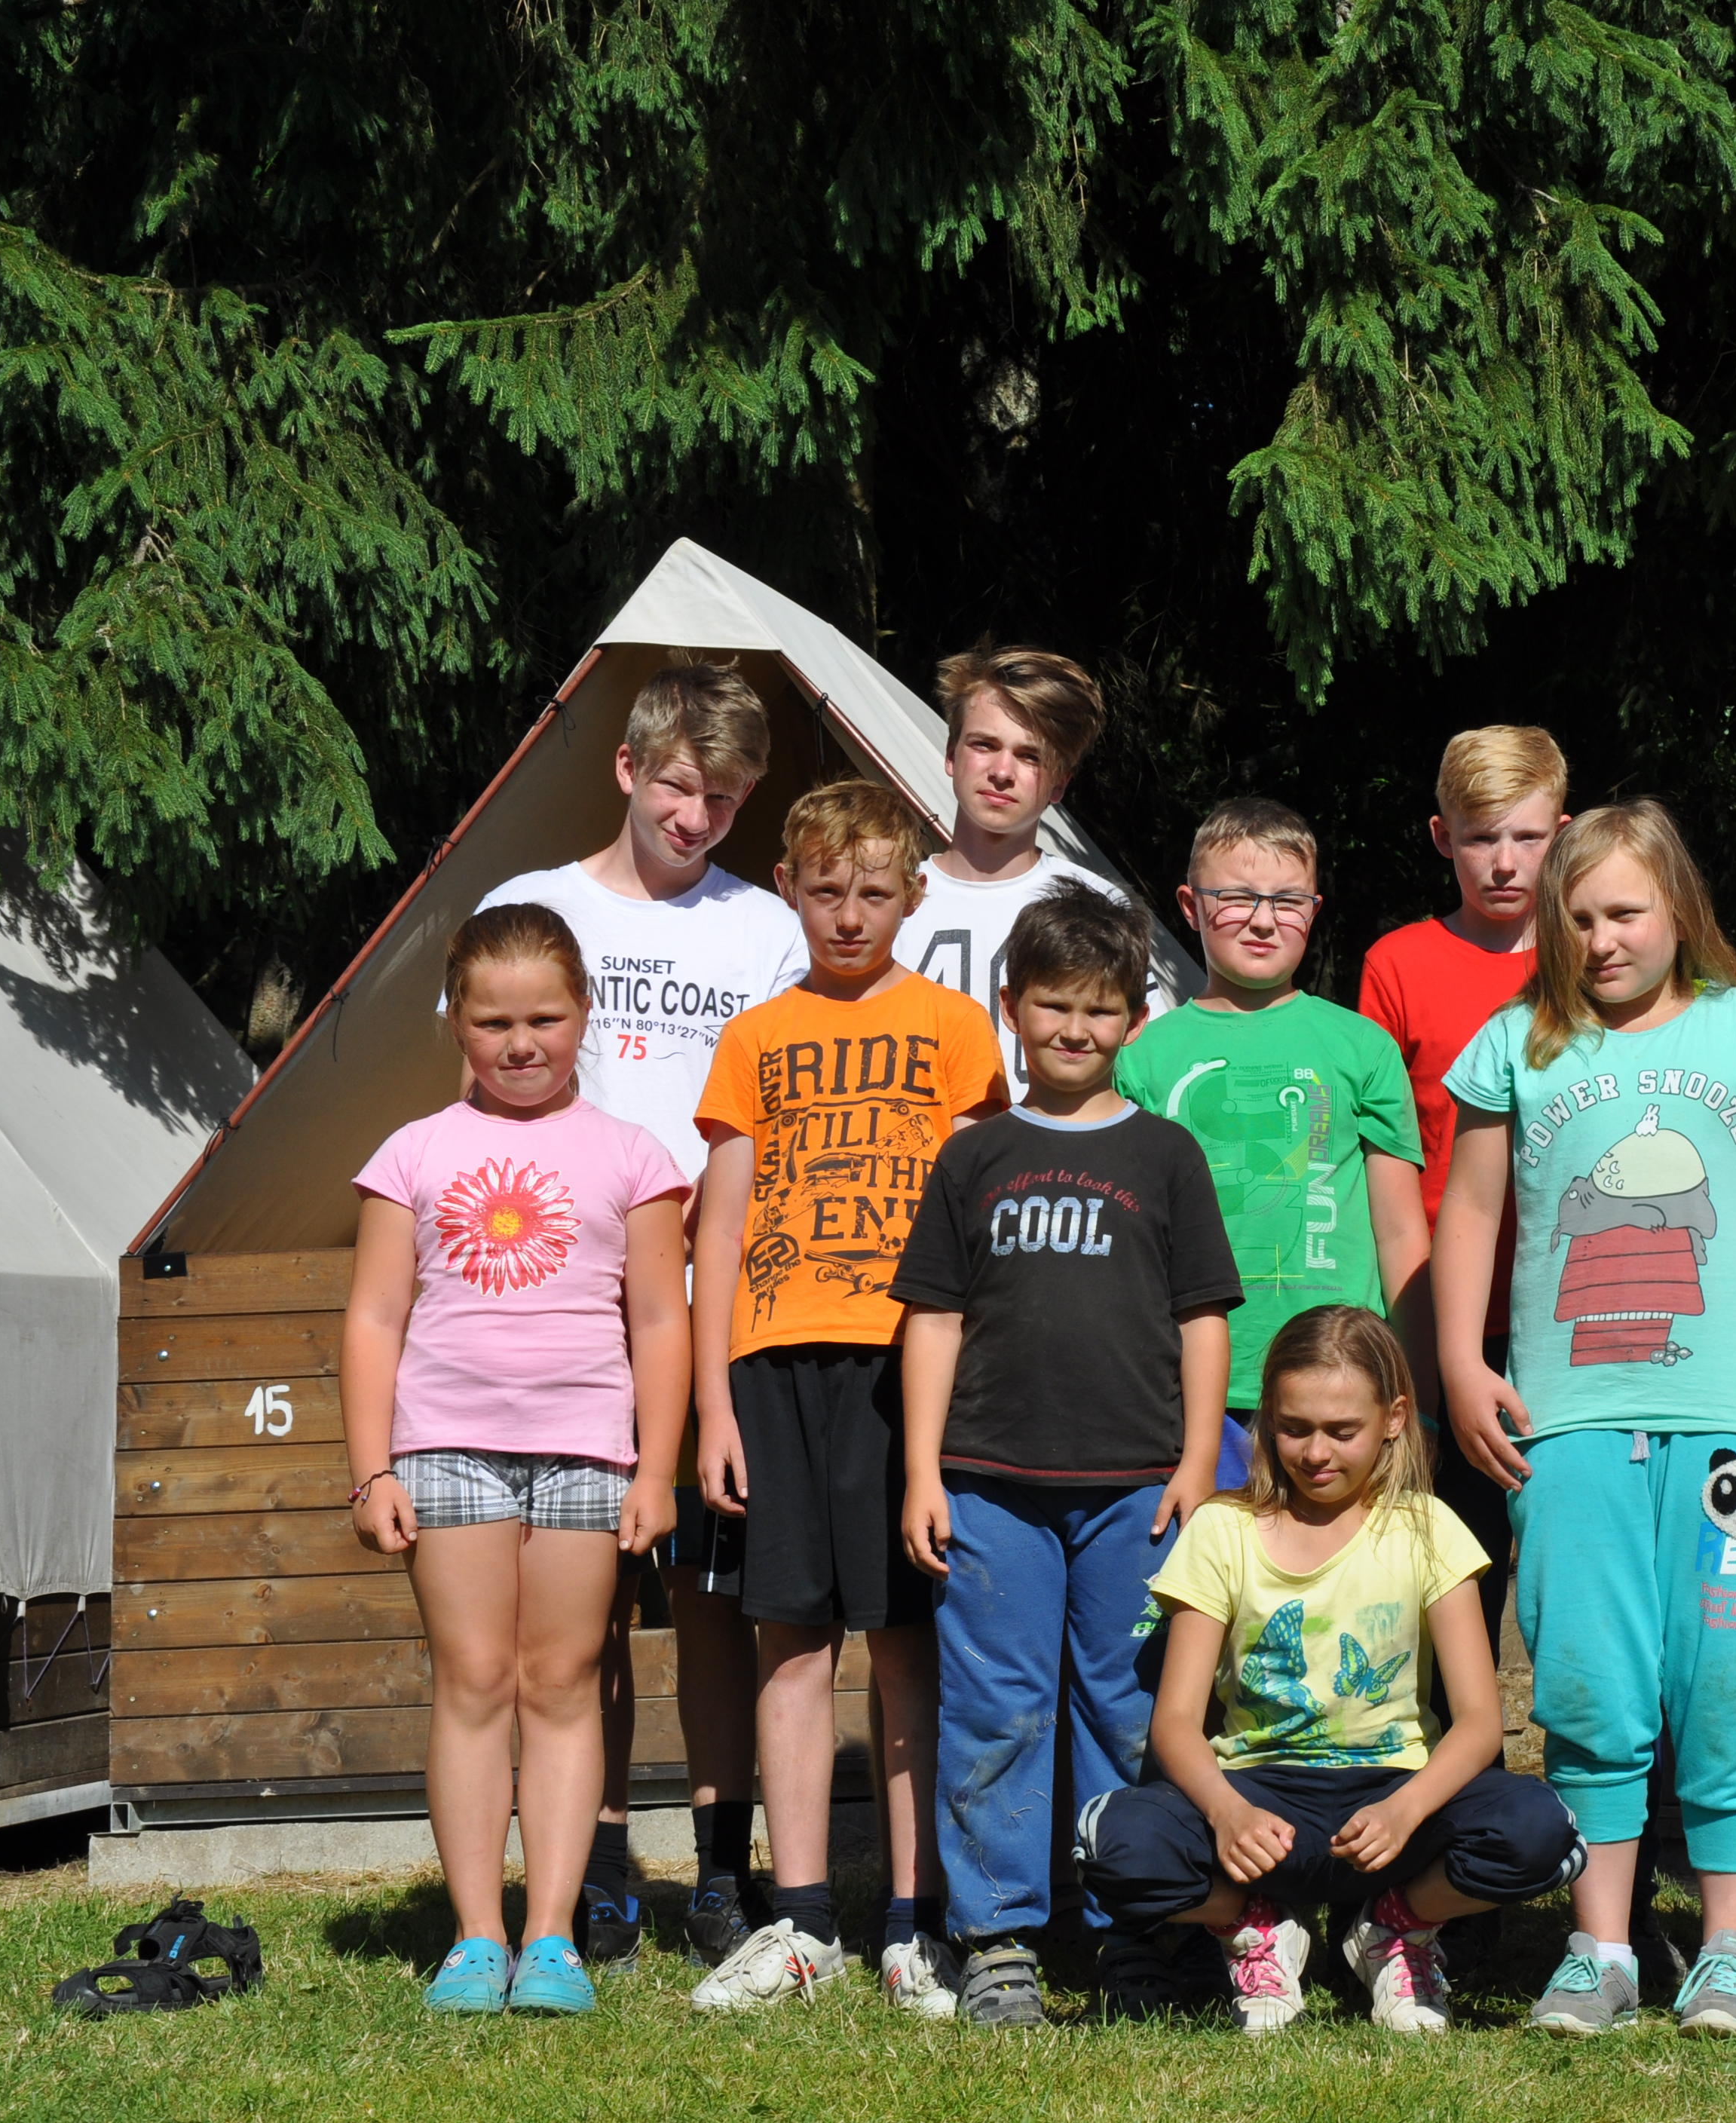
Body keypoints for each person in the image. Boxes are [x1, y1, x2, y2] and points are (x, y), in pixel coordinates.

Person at [1434, 798, 1736, 2042]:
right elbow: (1469, 1214)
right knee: (1587, 1685)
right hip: (1567, 1434)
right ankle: (1600, 1951)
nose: (1601, 939)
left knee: (1728, 1676)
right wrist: (1459, 1362)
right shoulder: (1513, 1045)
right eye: (1577, 918)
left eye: (1624, 912)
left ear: (1678, 908)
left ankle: (1731, 1955)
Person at [472, 663, 804, 1968]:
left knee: (715, 1594)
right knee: (584, 1600)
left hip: (716, 1306)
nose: (695, 816)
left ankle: (720, 1869)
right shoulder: (532, 907)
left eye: (725, 797)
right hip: (566, 1309)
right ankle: (597, 1864)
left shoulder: (766, 930)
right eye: (677, 785)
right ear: (626, 768)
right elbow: (485, 1096)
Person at [891, 886, 1242, 2028]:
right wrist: (924, 1471)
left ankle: (1137, 1930)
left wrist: (1198, 1464)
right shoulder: (974, 1156)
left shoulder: (1167, 1154)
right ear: (1012, 1007)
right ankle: (995, 1938)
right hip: (989, 1486)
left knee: (1130, 1709)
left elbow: (1202, 1318)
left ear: (1135, 1018)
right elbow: (933, 1317)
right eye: (1054, 1006)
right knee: (995, 1709)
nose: (1076, 1029)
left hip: (1140, 1489)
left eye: (1100, 1009)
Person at [686, 780, 1009, 2015]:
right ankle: (803, 1921)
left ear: (914, 895)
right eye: (826, 890)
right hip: (773, 1360)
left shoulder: (955, 1028)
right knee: (789, 1640)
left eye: (875, 891)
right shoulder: (754, 1037)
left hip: (904, 1365)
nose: (850, 914)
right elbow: (719, 1229)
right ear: (790, 887)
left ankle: (913, 1926)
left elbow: (977, 1218)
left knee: (907, 1645)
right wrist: (715, 1406)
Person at [341, 905, 692, 2016]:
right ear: (456, 1020)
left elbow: (662, 1323)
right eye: (494, 1022)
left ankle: (551, 1939)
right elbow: (373, 1318)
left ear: (585, 1013)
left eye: (544, 1017)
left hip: (588, 1454)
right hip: (445, 1448)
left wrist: (656, 1471)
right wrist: (371, 1469)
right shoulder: (411, 1153)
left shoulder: (635, 1158)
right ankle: (475, 1938)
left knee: (563, 1683)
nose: (521, 1042)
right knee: (474, 1680)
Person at [1076, 1306, 1583, 2034]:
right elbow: (1177, 1722)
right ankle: (1253, 1926)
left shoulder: (1428, 1527)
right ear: (1267, 1419)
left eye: (1342, 1431)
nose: (1316, 1452)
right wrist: (1227, 1814)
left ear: (1394, 1419)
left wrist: (1406, 1810)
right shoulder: (1222, 1530)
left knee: (1540, 1831)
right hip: (1259, 1798)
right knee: (1115, 1844)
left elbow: (1477, 1721)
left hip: (1392, 1800)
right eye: (1294, 1427)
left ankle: (1396, 1926)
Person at [1118, 798, 1431, 1466]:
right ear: (1190, 906)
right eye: (1236, 897)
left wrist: (1419, 1391)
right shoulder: (1141, 1057)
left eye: (1288, 901)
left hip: (1342, 1393)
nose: (1263, 920)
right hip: (1186, 1390)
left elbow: (1401, 1232)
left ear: (1314, 911)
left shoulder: (1362, 1047)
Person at [1356, 725, 1570, 1621]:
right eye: (1481, 838)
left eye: (1527, 836)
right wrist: (1418, 1347)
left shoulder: (1599, 958)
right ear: (1443, 837)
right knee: (1452, 1569)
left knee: (1577, 1569)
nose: (1504, 862)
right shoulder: (1396, 964)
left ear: (1564, 831)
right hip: (1448, 1319)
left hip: (1577, 1312)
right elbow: (1386, 1163)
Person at [908, 642, 1174, 1094]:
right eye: (984, 745)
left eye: (1030, 756)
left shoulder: (1098, 906)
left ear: (1059, 784)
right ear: (951, 755)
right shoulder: (887, 900)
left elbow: (1149, 1069)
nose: (1002, 772)